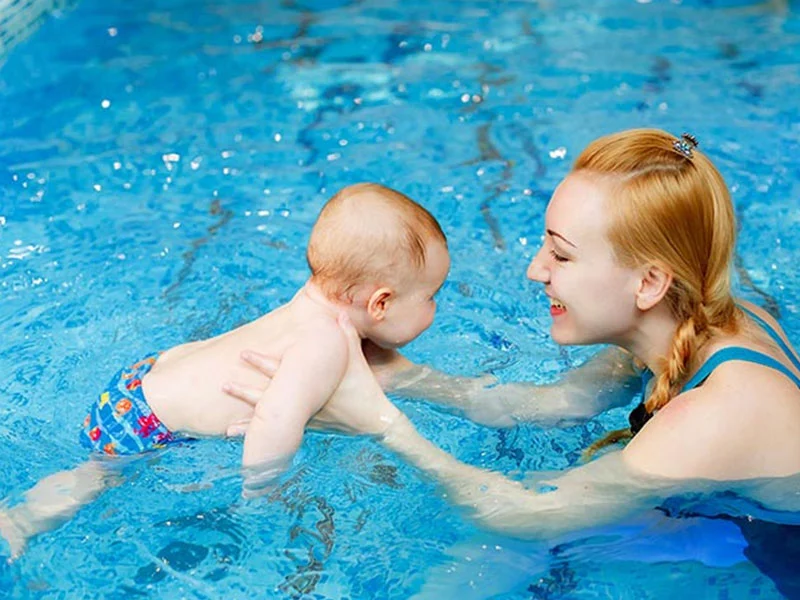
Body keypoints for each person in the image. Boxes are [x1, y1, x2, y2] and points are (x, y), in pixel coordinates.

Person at [226, 129, 800, 541]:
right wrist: (401, 377)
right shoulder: (698, 317)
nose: (535, 268)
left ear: (649, 282)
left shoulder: (715, 413)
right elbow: (558, 405)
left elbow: (533, 518)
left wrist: (383, 428)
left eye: (562, 254)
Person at [0, 182, 450, 559]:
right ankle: (20, 520)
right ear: (381, 303)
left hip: (143, 379)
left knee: (96, 470)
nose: (435, 306)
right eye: (431, 295)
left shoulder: (309, 308)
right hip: (145, 422)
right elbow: (276, 419)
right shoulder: (327, 342)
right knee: (93, 475)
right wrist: (260, 496)